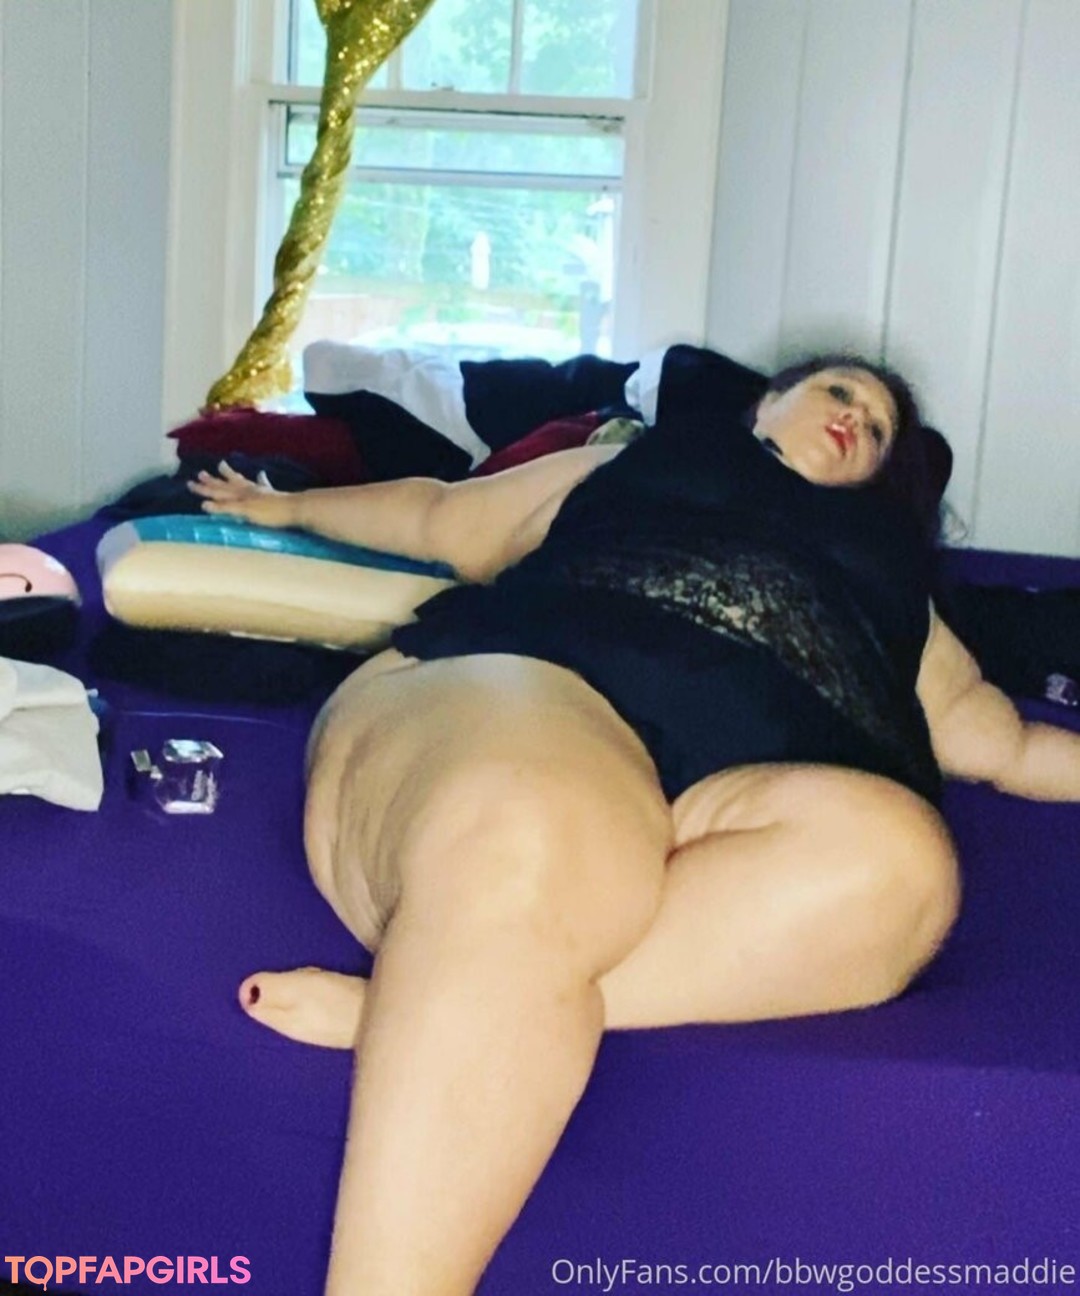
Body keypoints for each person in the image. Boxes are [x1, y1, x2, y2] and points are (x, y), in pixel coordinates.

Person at [191, 350, 1080, 1296]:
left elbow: (1006, 745)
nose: (856, 419)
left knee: (901, 865)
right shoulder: (642, 459)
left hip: (728, 799)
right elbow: (436, 515)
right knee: (536, 829)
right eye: (839, 392)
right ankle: (469, 993)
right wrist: (286, 510)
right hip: (528, 685)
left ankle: (441, 997)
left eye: (880, 430)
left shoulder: (899, 591)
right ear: (763, 406)